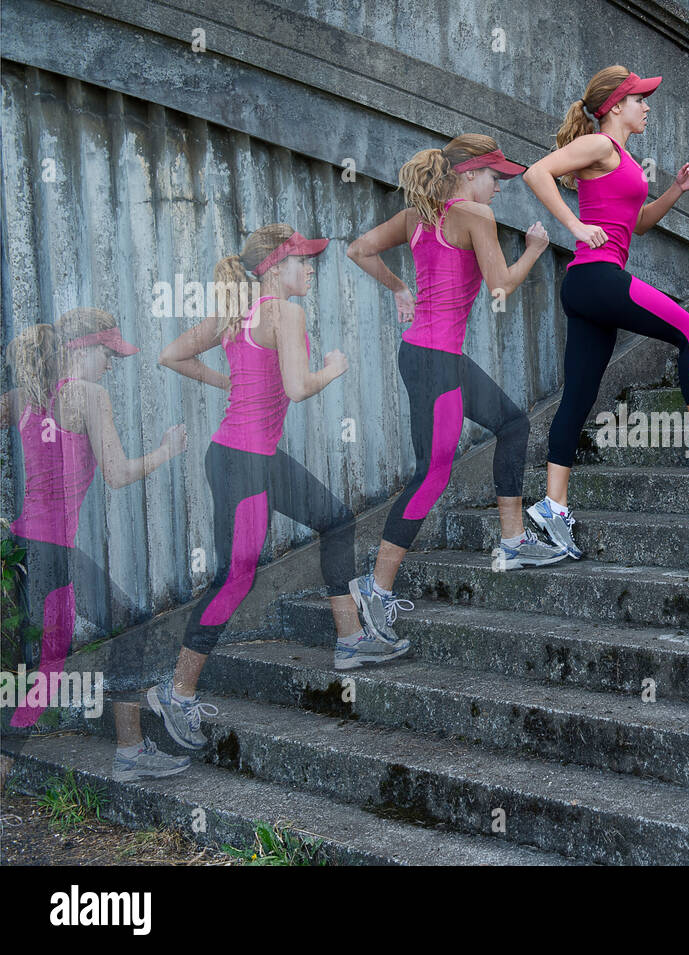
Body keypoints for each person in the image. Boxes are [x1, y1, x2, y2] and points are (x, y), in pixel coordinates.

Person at [150, 224, 405, 754]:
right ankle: (177, 693)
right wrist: (333, 368)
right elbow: (297, 387)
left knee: (335, 519)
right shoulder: (284, 313)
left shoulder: (236, 315)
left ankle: (351, 639)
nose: (310, 269)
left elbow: (170, 355)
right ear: (274, 268)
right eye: (302, 261)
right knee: (235, 578)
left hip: (251, 457)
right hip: (241, 462)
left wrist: (232, 383)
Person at [521, 66, 689, 558]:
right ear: (614, 106)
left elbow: (640, 225)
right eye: (639, 100)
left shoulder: (623, 158)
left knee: (579, 397)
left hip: (589, 288)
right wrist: (575, 226)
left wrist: (675, 191)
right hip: (596, 276)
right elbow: (535, 173)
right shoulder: (601, 146)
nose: (647, 107)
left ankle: (553, 507)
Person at [344, 135, 567, 639]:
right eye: (494, 177)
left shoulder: (417, 215)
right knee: (432, 474)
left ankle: (513, 539)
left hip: (428, 355)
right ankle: (375, 590)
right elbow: (501, 286)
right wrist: (533, 250)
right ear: (468, 175)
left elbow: (359, 249)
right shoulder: (475, 216)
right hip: (437, 362)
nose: (499, 187)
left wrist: (400, 289)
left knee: (511, 422)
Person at [2, 308, 190, 780]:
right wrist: (167, 450)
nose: (111, 364)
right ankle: (131, 751)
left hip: (27, 548)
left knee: (49, 666)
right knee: (130, 626)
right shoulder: (89, 395)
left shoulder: (27, 395)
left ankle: (8, 762)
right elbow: (119, 474)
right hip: (54, 552)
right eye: (108, 353)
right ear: (83, 348)